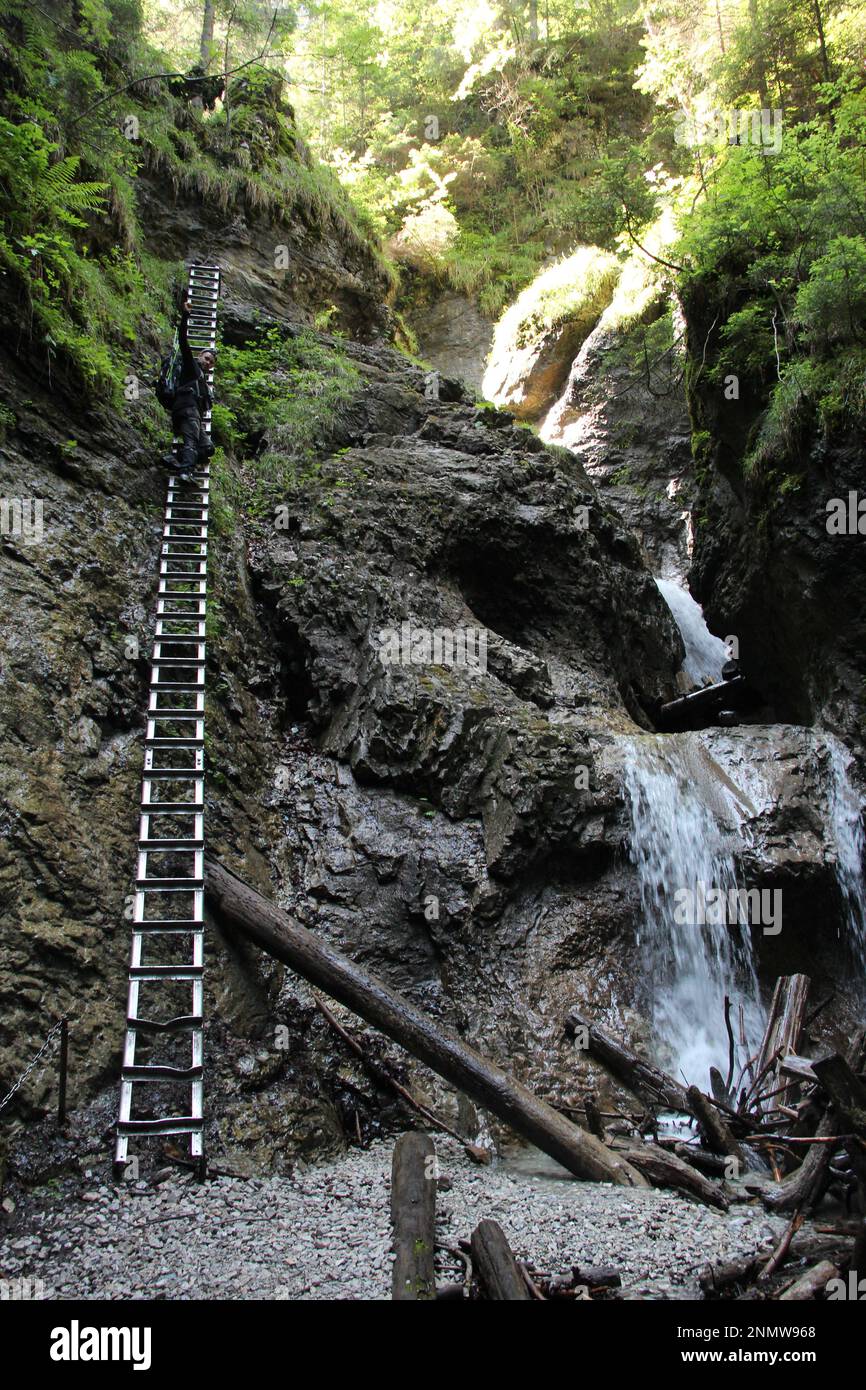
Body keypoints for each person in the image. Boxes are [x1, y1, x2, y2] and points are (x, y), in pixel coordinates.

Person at [166, 299, 215, 478]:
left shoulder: (201, 379)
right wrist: (185, 315)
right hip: (186, 410)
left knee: (207, 448)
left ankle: (174, 458)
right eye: (207, 358)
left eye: (211, 362)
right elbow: (183, 341)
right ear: (200, 355)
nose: (208, 363)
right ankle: (185, 472)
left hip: (194, 415)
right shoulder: (190, 366)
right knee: (191, 443)